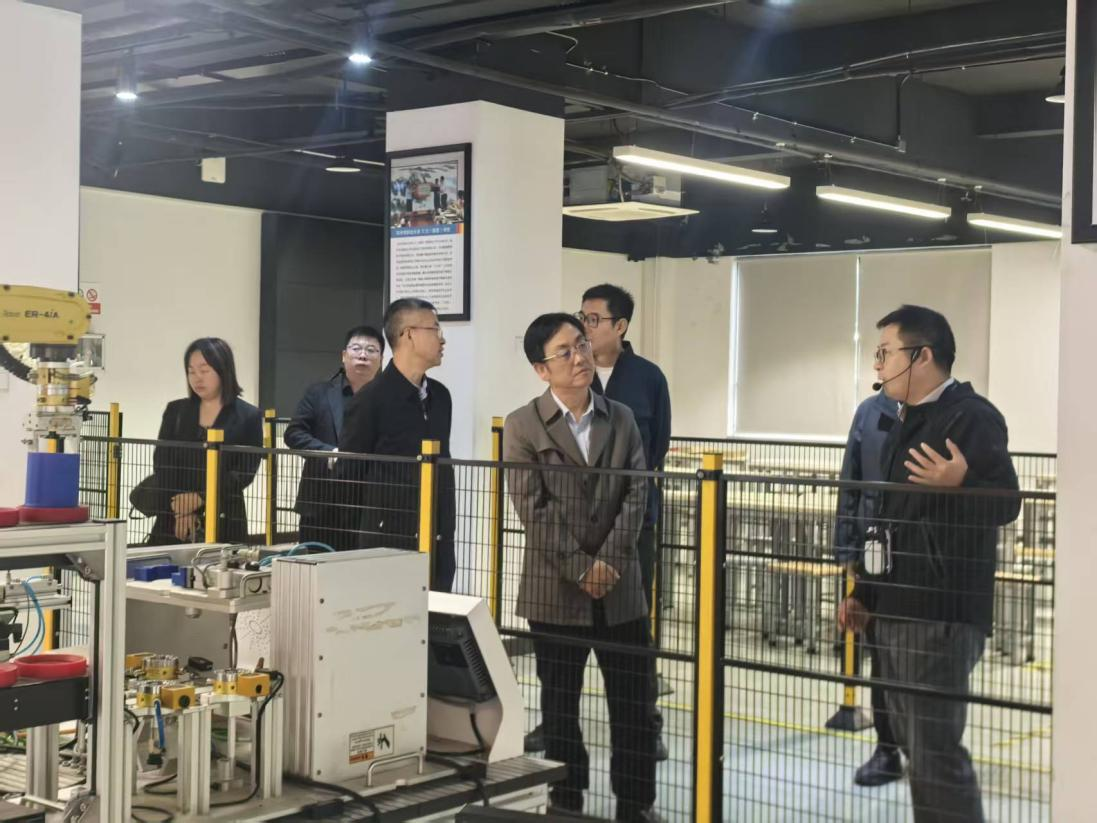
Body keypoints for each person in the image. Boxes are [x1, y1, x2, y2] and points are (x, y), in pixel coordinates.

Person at [838, 305, 1020, 823]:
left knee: (935, 752)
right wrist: (863, 593)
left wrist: (961, 485)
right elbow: (887, 518)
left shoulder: (972, 416)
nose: (877, 365)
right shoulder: (904, 420)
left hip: (939, 614)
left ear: (922, 356)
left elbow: (1007, 502)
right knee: (916, 748)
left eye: (885, 353)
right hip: (895, 608)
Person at [504, 313, 660, 823]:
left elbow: (637, 493)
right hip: (555, 592)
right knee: (560, 707)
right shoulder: (523, 425)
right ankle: (566, 800)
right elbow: (533, 510)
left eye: (582, 345)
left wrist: (609, 563)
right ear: (541, 369)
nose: (580, 358)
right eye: (565, 352)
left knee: (634, 707)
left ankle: (636, 804)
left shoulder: (622, 418)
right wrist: (580, 568)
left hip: (621, 591)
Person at [337, 298, 456, 591]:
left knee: (437, 613)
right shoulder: (370, 400)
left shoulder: (441, 396)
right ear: (409, 334)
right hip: (386, 542)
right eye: (435, 329)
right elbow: (348, 474)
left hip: (438, 537)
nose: (442, 339)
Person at [833, 390, 902, 786]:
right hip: (874, 557)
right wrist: (847, 552)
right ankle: (887, 749)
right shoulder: (869, 412)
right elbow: (851, 483)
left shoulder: (945, 413)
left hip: (921, 562)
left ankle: (923, 750)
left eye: (885, 358)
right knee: (881, 656)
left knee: (919, 660)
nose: (879, 365)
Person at [132, 338, 262, 545]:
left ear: (223, 370)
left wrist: (200, 498)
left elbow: (244, 473)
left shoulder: (249, 416)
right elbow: (162, 463)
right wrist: (182, 509)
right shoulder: (176, 411)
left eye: (204, 370)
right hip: (173, 513)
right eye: (191, 371)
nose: (197, 378)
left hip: (224, 514)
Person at [284, 325, 385, 549]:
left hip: (368, 505)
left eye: (371, 350)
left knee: (360, 567)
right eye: (356, 348)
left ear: (381, 359)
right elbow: (294, 433)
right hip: (320, 502)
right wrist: (328, 453)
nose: (363, 355)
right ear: (344, 355)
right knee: (315, 565)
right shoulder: (318, 392)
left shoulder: (388, 399)